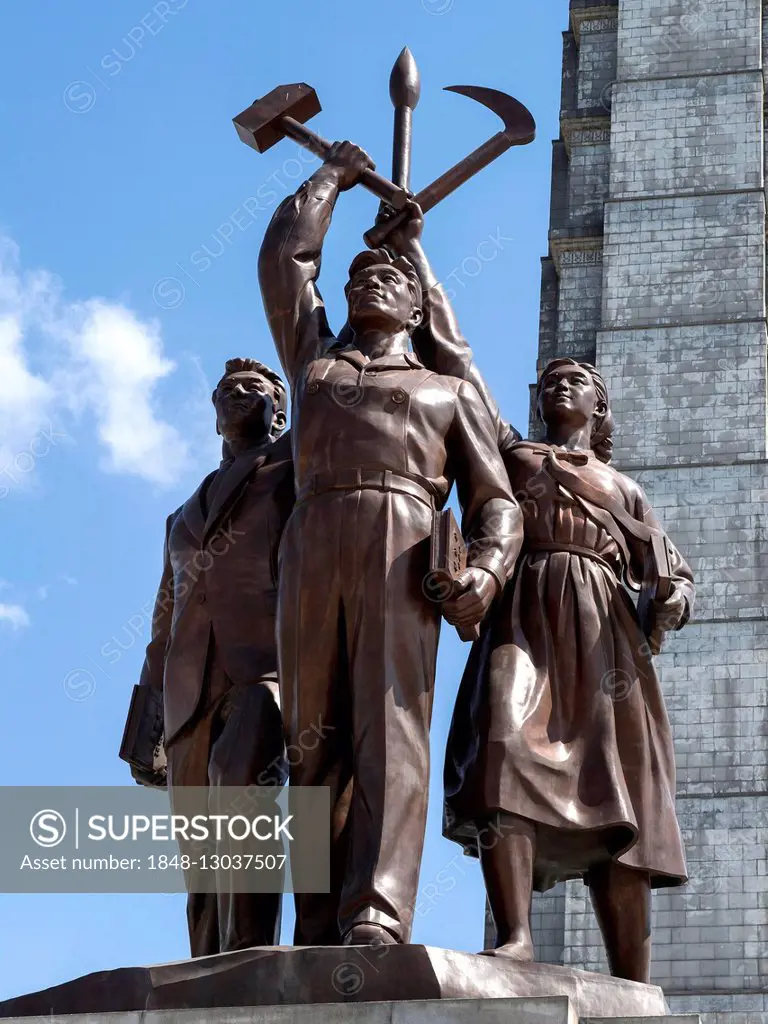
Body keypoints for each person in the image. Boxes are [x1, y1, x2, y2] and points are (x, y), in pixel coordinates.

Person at [375, 207, 694, 984]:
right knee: (503, 745)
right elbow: (455, 357)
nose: (561, 384)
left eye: (577, 378)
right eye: (550, 378)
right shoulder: (517, 457)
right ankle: (515, 935)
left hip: (608, 640)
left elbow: (673, 575)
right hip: (526, 614)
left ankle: (631, 970)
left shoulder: (624, 488)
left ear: (600, 406)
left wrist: (671, 600)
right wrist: (412, 253)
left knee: (623, 797)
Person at [258, 141, 523, 947]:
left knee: (390, 731)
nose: (371, 278)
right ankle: (313, 920)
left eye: (393, 278)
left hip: (403, 547)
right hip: (312, 542)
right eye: (359, 276)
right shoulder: (314, 367)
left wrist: (485, 568)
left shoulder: (447, 393)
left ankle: (376, 909)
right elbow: (284, 262)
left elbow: (496, 501)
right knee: (311, 741)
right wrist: (331, 178)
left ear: (418, 309)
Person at [132, 357, 294, 956]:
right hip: (186, 684)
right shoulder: (181, 515)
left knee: (243, 792)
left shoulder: (295, 468)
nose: (238, 396)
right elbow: (163, 618)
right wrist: (146, 719)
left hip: (266, 664)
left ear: (280, 409)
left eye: (254, 389)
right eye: (227, 391)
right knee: (198, 841)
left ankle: (250, 953)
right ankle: (207, 969)